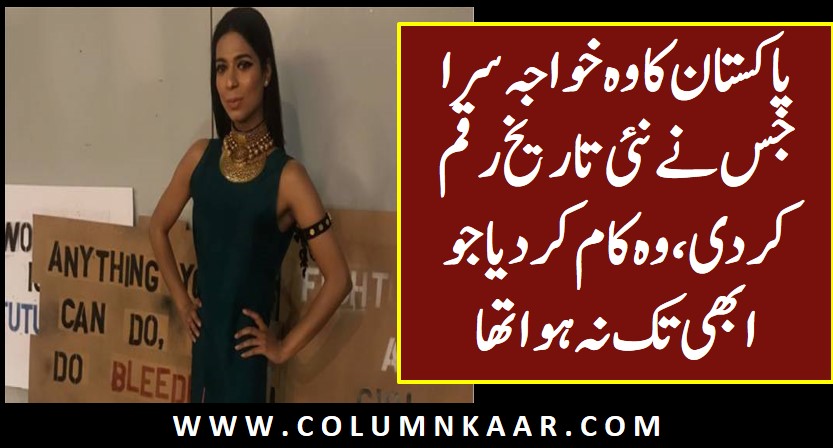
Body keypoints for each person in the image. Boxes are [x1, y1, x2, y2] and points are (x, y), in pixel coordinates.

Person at [149, 7, 352, 403]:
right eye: (221, 68)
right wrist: (182, 301)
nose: (230, 82)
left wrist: (284, 347)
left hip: (244, 364)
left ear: (267, 72)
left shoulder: (289, 178)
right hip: (204, 350)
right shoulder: (199, 158)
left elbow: (339, 278)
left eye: (243, 65)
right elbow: (157, 228)